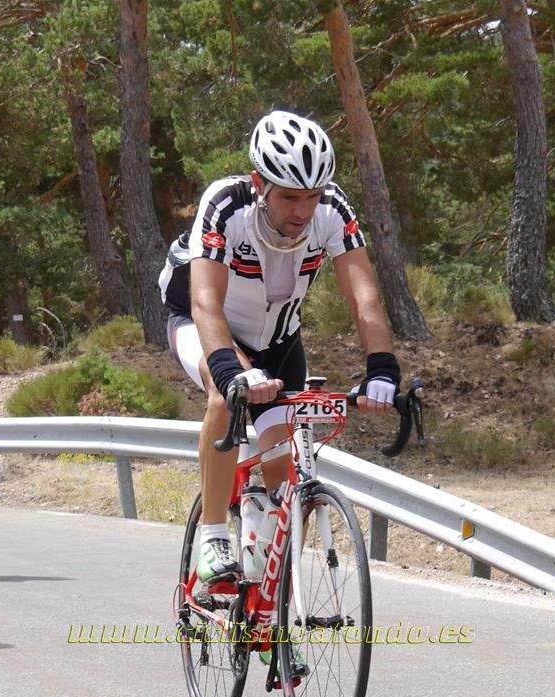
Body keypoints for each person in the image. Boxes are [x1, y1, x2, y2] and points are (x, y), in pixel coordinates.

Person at [158, 110, 401, 589]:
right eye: (290, 197)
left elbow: (363, 295)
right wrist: (228, 371)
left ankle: (269, 588)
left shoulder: (333, 209)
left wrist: (382, 366)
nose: (303, 211)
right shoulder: (226, 204)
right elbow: (207, 302)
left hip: (280, 341)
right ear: (259, 183)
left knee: (282, 473)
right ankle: (212, 537)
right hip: (203, 324)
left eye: (312, 197)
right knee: (223, 397)